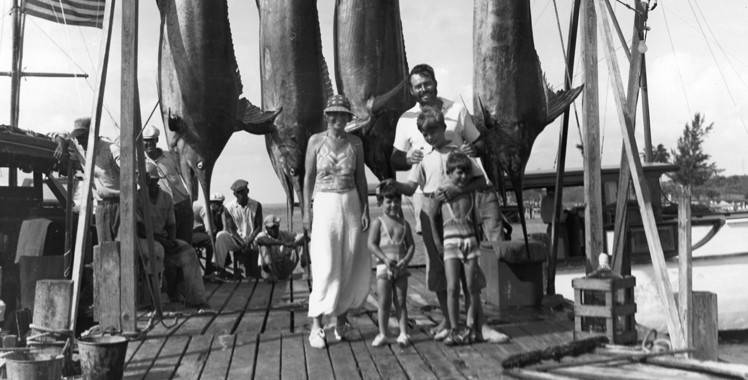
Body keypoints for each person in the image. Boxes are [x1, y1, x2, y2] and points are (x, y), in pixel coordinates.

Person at [385, 108, 509, 343]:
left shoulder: (460, 153)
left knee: (470, 277)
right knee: (440, 269)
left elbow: (481, 180)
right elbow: (411, 187)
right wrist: (393, 184)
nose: (430, 136)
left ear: (444, 129)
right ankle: (450, 322)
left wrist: (457, 189)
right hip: (432, 212)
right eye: (425, 133)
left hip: (458, 216)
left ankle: (480, 325)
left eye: (434, 131)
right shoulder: (423, 157)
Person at [303, 94, 371, 349]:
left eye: (342, 114)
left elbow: (361, 178)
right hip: (324, 203)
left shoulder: (356, 143)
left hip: (351, 202)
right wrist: (307, 212)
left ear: (347, 117)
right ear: (327, 116)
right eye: (333, 114)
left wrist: (365, 208)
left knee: (349, 261)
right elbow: (308, 178)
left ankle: (341, 322)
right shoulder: (315, 141)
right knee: (325, 262)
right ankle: (316, 326)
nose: (337, 119)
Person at [391, 64, 483, 234]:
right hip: (424, 193)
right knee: (432, 250)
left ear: (435, 83)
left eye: (427, 83)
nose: (423, 89)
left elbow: (479, 144)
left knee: (464, 238)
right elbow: (395, 160)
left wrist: (473, 149)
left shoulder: (458, 110)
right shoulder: (405, 119)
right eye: (418, 86)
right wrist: (407, 158)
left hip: (459, 190)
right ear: (411, 90)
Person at [139, 161, 208, 308]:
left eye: (151, 180)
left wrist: (171, 241)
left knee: (187, 251)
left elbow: (171, 224)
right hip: (144, 240)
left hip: (163, 239)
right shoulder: (137, 198)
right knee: (157, 250)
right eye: (145, 180)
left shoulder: (166, 198)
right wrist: (163, 242)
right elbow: (140, 228)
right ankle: (155, 300)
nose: (148, 183)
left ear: (156, 180)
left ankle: (196, 298)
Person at [52, 117, 121, 243]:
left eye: (83, 137)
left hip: (120, 205)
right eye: (77, 138)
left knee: (123, 246)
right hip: (101, 206)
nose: (80, 141)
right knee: (104, 248)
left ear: (93, 134)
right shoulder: (80, 147)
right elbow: (58, 134)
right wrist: (61, 143)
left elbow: (130, 169)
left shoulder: (111, 148)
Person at [441, 152, 485, 345]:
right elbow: (433, 216)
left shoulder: (470, 191)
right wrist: (437, 243)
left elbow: (483, 179)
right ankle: (453, 328)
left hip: (470, 242)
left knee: (471, 287)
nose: (464, 176)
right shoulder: (442, 193)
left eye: (467, 172)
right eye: (459, 172)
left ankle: (470, 326)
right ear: (449, 173)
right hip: (450, 243)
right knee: (452, 287)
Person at [367, 184, 415, 347]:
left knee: (401, 301)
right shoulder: (377, 223)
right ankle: (383, 333)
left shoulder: (404, 224)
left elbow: (411, 246)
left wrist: (406, 261)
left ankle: (403, 333)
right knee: (384, 302)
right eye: (388, 201)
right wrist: (385, 259)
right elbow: (371, 244)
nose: (393, 204)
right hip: (383, 269)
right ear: (381, 202)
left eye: (396, 201)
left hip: (401, 269)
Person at [143, 125, 194, 244]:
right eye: (146, 141)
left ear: (157, 140)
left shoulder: (171, 156)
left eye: (152, 140)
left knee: (185, 244)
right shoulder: (139, 162)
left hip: (182, 204)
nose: (150, 144)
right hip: (162, 209)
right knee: (169, 245)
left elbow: (188, 175)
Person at [214, 180, 263, 279]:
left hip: (253, 239)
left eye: (243, 192)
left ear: (247, 191)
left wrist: (249, 241)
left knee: (262, 237)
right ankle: (219, 269)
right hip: (237, 240)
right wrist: (242, 242)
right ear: (234, 194)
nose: (241, 195)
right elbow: (231, 229)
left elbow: (258, 227)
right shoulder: (229, 207)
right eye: (238, 193)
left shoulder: (257, 205)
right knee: (221, 236)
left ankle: (265, 269)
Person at [253, 215, 307, 281]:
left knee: (300, 244)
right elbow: (261, 240)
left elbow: (305, 237)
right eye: (271, 227)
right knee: (263, 246)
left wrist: (295, 243)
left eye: (276, 226)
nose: (274, 229)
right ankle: (269, 275)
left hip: (283, 267)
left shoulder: (284, 234)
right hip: (271, 269)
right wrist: (284, 243)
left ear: (278, 226)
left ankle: (306, 271)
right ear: (266, 228)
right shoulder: (262, 235)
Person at [193, 193, 228, 278]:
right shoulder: (206, 210)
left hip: (197, 230)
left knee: (217, 237)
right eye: (218, 204)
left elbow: (223, 227)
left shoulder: (215, 210)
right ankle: (209, 269)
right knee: (210, 240)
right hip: (192, 232)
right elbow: (210, 231)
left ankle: (219, 264)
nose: (220, 206)